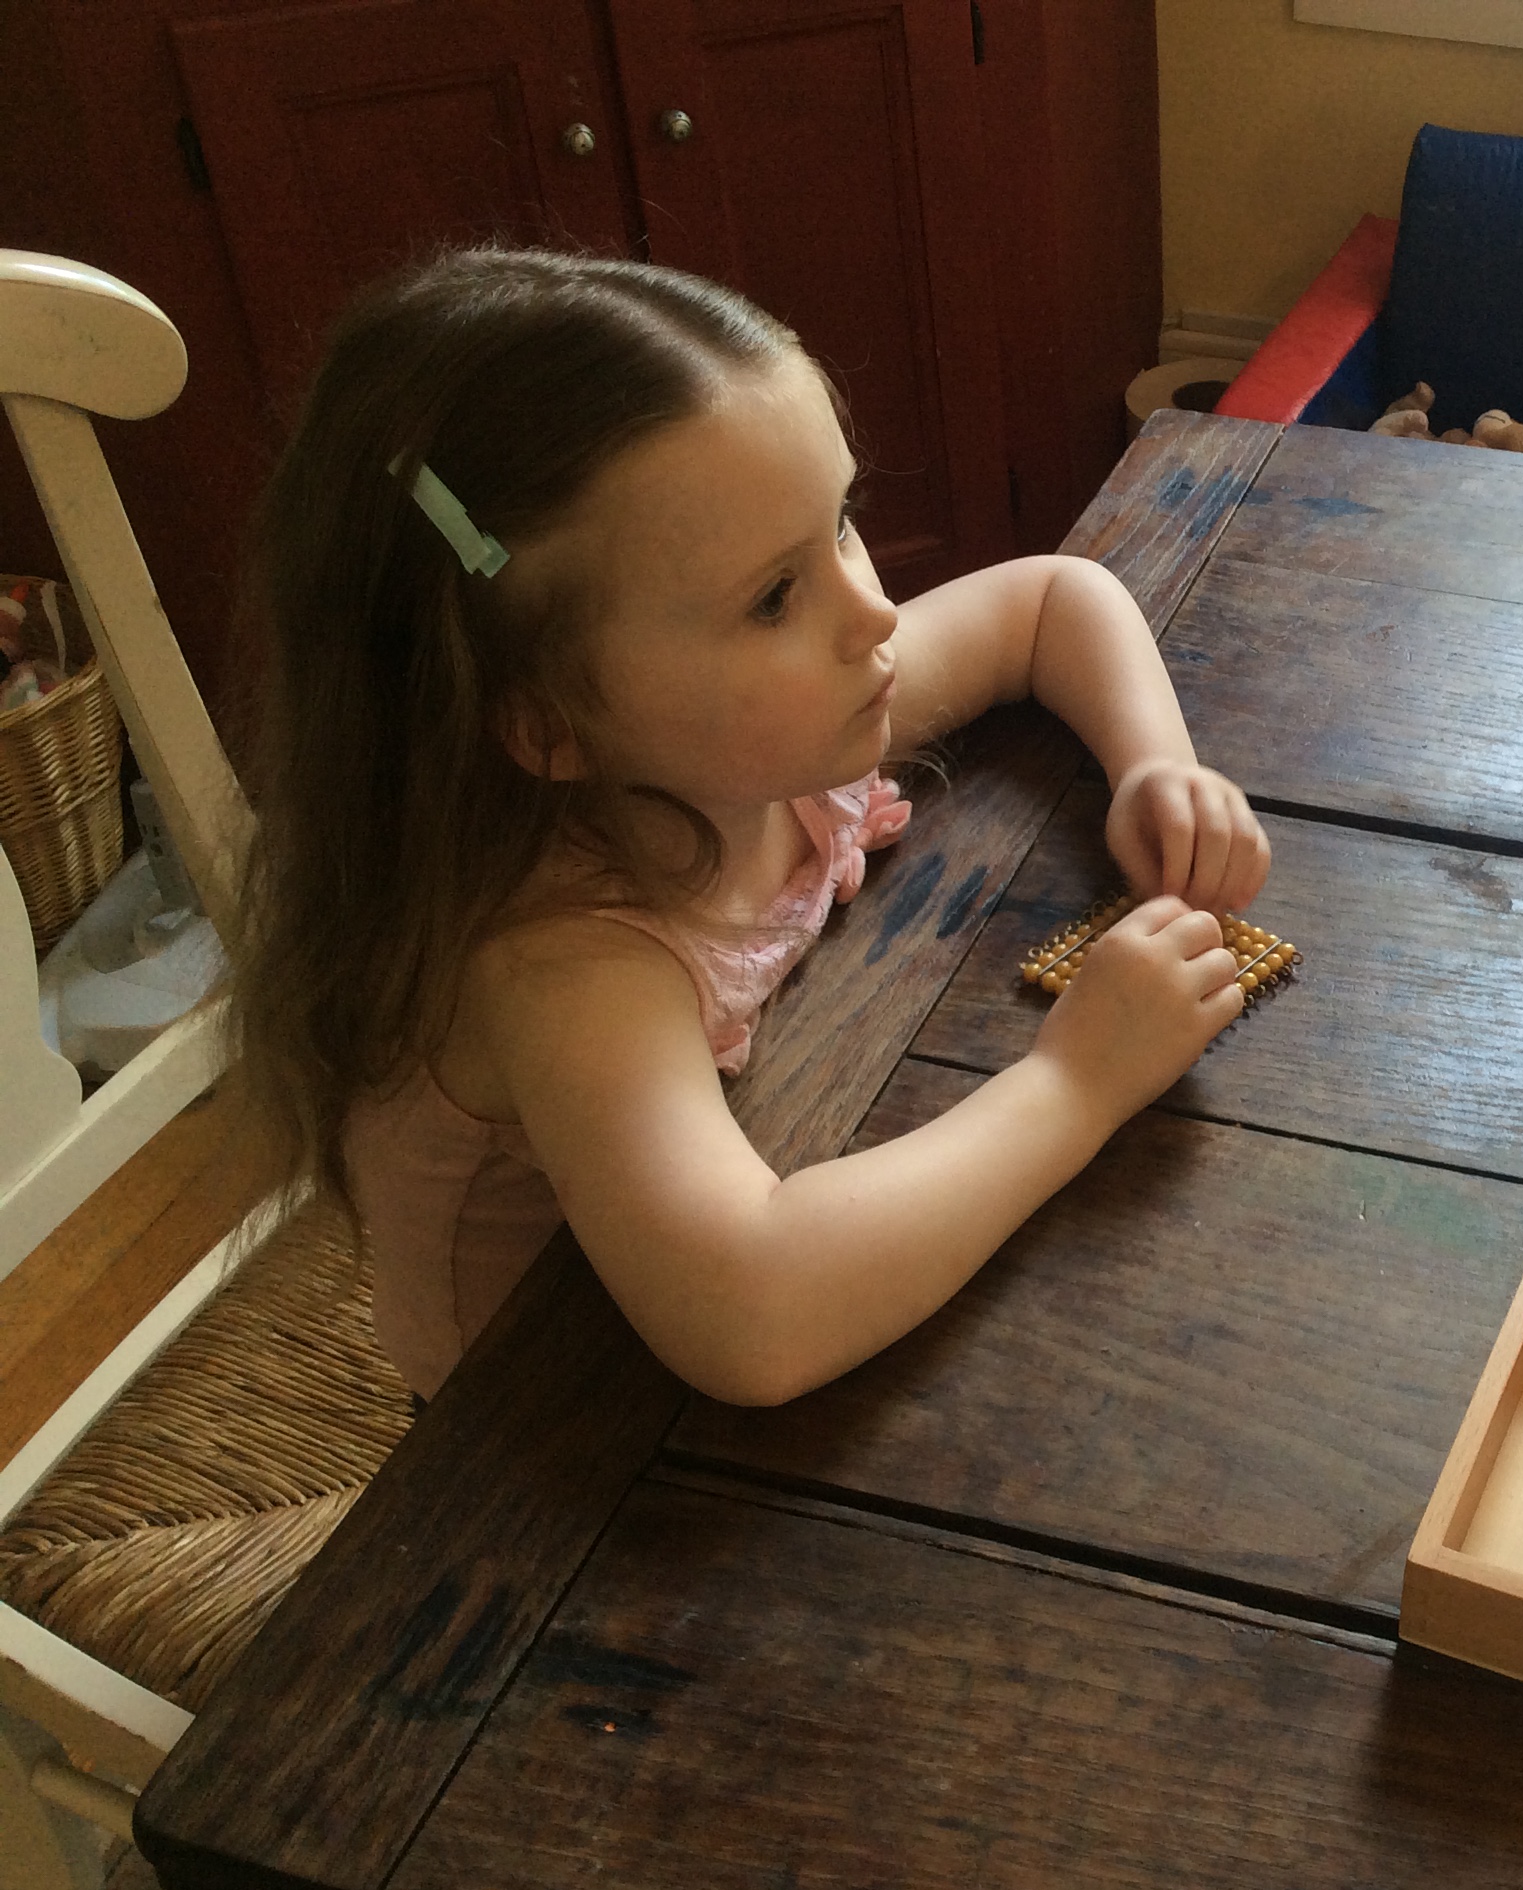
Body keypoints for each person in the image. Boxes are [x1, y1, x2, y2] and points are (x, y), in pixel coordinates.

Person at [228, 250, 1269, 1407]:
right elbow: (755, 1315)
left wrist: (1154, 766)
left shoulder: (759, 729)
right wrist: (1075, 1082)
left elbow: (1051, 601)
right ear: (553, 725)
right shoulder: (562, 962)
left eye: (843, 522)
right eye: (775, 596)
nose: (871, 612)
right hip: (555, 1425)